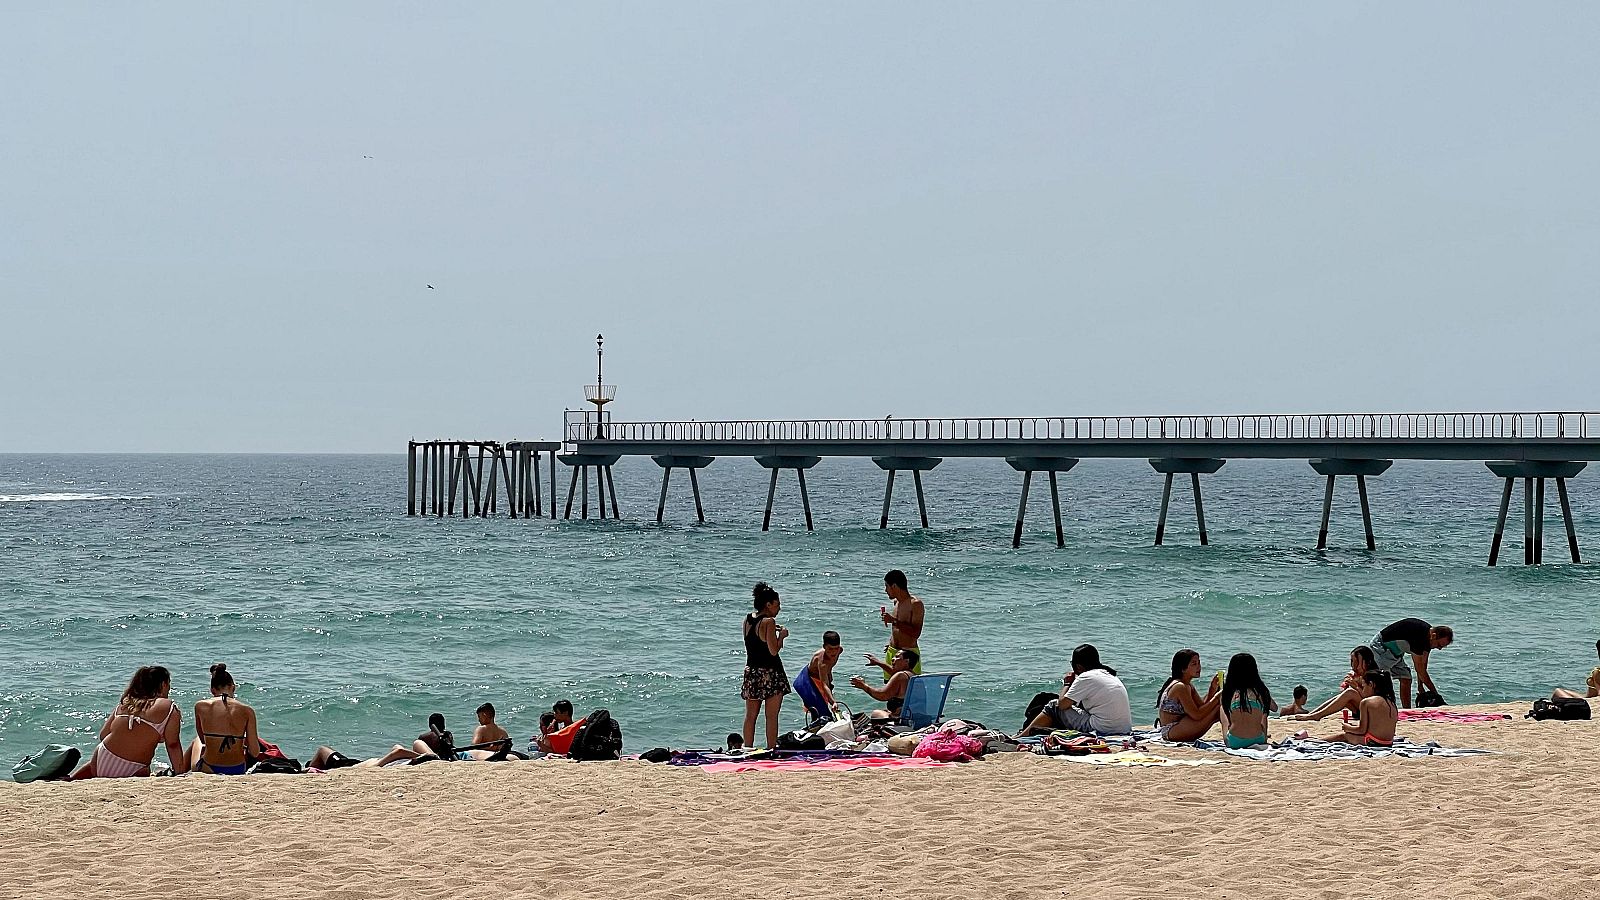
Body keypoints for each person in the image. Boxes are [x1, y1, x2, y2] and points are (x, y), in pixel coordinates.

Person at [72, 665, 189, 779]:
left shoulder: (126, 704)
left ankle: (71, 779)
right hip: (135, 769)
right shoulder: (168, 707)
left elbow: (103, 735)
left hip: (101, 760)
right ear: (163, 684)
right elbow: (172, 744)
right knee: (146, 771)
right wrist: (179, 773)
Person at [1019, 644, 1133, 736]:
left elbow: (1062, 705)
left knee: (1052, 706)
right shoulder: (1109, 675)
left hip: (1102, 729)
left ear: (1078, 666)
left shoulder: (1086, 677)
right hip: (1123, 729)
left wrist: (1067, 683)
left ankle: (1021, 736)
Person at [188, 663, 262, 775]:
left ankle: (178, 772)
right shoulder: (247, 711)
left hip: (209, 767)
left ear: (212, 690)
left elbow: (203, 740)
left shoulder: (200, 706)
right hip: (237, 768)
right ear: (233, 687)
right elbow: (255, 752)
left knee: (197, 740)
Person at [740, 581, 789, 749]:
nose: (779, 609)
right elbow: (773, 650)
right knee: (771, 716)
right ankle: (771, 748)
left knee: (751, 715)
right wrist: (781, 636)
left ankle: (748, 747)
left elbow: (755, 643)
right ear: (768, 605)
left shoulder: (747, 620)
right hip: (770, 672)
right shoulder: (768, 622)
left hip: (752, 671)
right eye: (777, 605)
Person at [1368, 618, 1453, 708]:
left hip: (1396, 653)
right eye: (1439, 645)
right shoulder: (1419, 637)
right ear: (1434, 636)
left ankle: (1407, 709)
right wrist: (1436, 694)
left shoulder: (1429, 640)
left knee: (1406, 678)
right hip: (1381, 647)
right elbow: (1420, 670)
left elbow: (1423, 666)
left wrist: (1420, 687)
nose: (1439, 648)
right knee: (1381, 681)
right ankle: (1375, 707)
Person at [1287, 646, 1378, 722]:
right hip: (1360, 711)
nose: (1353, 666)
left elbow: (1372, 699)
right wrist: (1346, 686)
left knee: (1350, 693)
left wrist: (1356, 687)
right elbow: (1345, 694)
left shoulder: (1373, 676)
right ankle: (1312, 714)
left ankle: (1315, 716)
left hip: (1373, 712)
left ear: (1368, 662)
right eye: (1352, 661)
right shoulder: (1358, 675)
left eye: (1357, 662)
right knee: (1341, 696)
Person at [1152, 649, 1222, 742]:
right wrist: (1217, 697)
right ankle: (1234, 735)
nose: (1199, 667)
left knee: (1217, 707)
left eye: (1199, 663)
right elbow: (1197, 715)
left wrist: (1212, 689)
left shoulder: (1187, 685)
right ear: (1183, 669)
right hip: (1171, 730)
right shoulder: (1180, 687)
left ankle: (1235, 733)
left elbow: (1202, 706)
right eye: (1194, 664)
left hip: (1180, 726)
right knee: (1218, 709)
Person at [1320, 671, 1399, 746]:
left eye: (1364, 686)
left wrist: (1347, 727)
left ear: (1371, 685)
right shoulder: (1391, 702)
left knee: (1345, 736)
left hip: (1373, 742)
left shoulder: (1366, 702)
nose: (1363, 690)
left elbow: (1361, 730)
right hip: (1388, 742)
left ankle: (1317, 742)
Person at [1217, 653, 1276, 749]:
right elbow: (1275, 708)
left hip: (1234, 741)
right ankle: (1264, 736)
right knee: (1264, 711)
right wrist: (1265, 697)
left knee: (1222, 708)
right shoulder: (1260, 690)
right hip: (1259, 739)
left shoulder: (1229, 692)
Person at [876, 569, 924, 679]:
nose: (885, 590)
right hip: (892, 653)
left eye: (886, 586)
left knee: (908, 689)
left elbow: (916, 633)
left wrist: (893, 620)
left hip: (908, 656)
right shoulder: (896, 602)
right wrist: (891, 643)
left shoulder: (915, 604)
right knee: (889, 689)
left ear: (894, 586)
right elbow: (897, 629)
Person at [849, 648, 917, 718]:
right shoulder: (913, 676)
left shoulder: (901, 675)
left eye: (897, 657)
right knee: (884, 711)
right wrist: (878, 663)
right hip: (911, 716)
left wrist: (863, 686)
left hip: (900, 719)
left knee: (876, 713)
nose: (893, 659)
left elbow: (882, 695)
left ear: (906, 661)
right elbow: (893, 672)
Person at [793, 630, 843, 722]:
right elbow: (824, 684)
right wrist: (833, 702)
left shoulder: (840, 651)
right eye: (830, 649)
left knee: (825, 705)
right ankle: (816, 728)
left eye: (836, 648)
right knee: (818, 709)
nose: (833, 652)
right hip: (807, 680)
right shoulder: (822, 661)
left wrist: (829, 675)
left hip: (822, 677)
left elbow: (829, 667)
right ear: (824, 647)